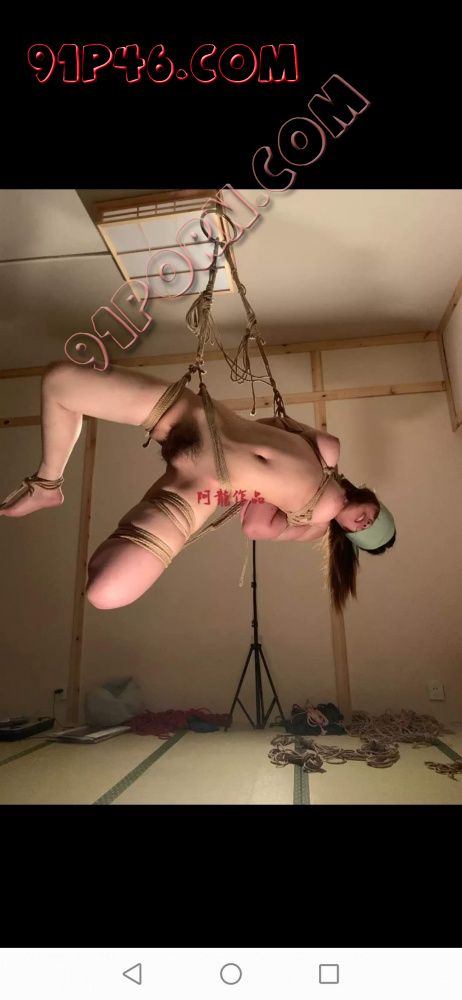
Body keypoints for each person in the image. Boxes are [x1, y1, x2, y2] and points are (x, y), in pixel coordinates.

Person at [0, 360, 396, 611]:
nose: (365, 522)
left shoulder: (313, 525)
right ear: (373, 499)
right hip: (195, 418)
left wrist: (260, 486)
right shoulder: (330, 452)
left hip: (203, 486)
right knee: (59, 381)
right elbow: (273, 425)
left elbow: (254, 526)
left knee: (106, 591)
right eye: (374, 517)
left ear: (348, 537)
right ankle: (47, 483)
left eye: (364, 531)